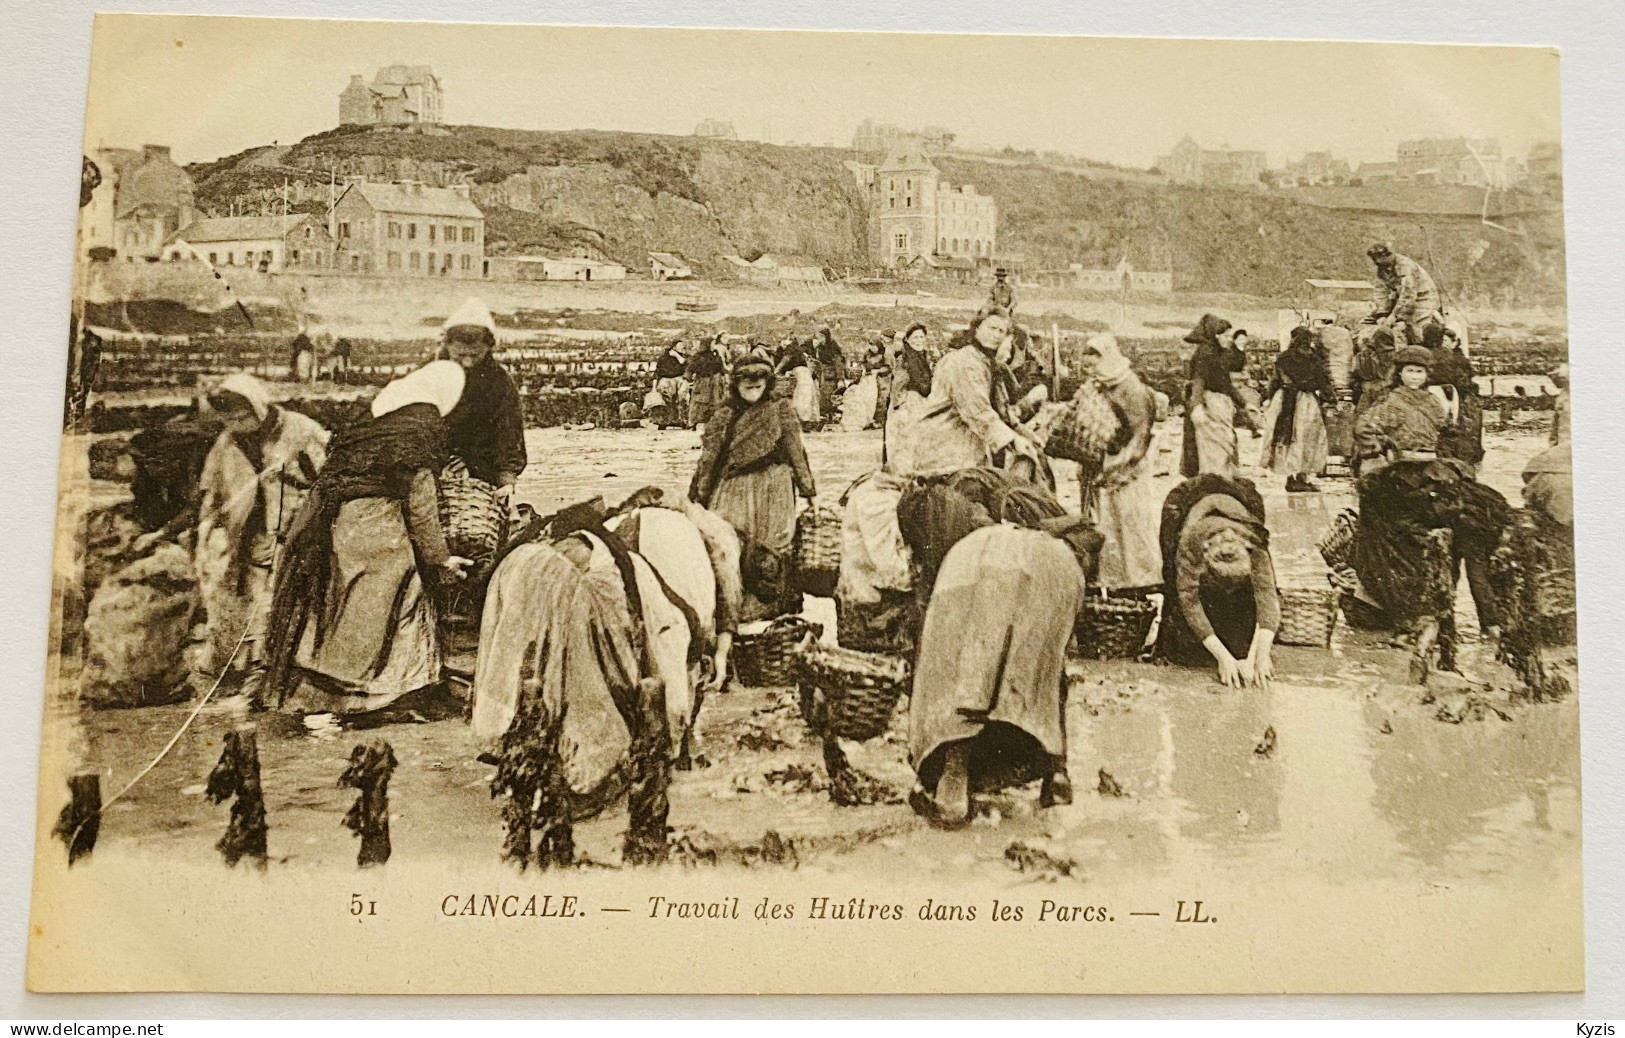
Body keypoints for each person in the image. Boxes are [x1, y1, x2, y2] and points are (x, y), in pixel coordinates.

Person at [264, 361, 472, 714]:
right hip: (384, 531)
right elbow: (421, 510)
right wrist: (440, 558)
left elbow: (323, 488)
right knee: (398, 604)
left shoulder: (360, 435)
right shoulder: (419, 439)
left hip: (340, 527)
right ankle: (380, 694)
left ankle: (330, 690)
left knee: (345, 607)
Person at [907, 517, 1098, 827]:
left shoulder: (986, 537)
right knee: (1044, 676)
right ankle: (1056, 770)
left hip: (963, 573)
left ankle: (954, 767)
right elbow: (1059, 652)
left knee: (964, 674)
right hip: (1011, 581)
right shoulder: (1065, 563)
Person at [193, 373, 329, 679]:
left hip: (296, 527)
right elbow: (212, 489)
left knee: (286, 595)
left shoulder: (301, 430)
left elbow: (327, 478)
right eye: (228, 420)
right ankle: (244, 664)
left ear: (258, 406)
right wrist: (208, 526)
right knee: (246, 594)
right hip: (248, 530)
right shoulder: (228, 441)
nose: (237, 426)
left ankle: (284, 664)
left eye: (242, 418)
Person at [689, 356, 817, 621]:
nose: (753, 385)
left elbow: (796, 452)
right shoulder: (724, 415)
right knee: (730, 546)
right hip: (734, 488)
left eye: (759, 380)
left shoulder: (781, 409)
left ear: (767, 382)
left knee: (774, 549)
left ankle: (774, 614)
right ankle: (734, 613)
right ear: (736, 384)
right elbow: (709, 460)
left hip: (774, 489)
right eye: (746, 380)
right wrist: (699, 495)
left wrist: (808, 490)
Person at [1154, 475, 1280, 689]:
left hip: (1237, 497)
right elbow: (1189, 599)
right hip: (1188, 503)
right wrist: (1222, 657)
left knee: (1242, 639)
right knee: (1182, 644)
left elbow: (1266, 594)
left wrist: (1260, 655)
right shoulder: (1191, 542)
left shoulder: (1253, 540)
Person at [909, 309, 1041, 476]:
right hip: (943, 451)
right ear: (977, 328)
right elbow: (977, 411)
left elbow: (1002, 412)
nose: (996, 335)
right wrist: (1013, 440)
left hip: (965, 450)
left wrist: (1024, 434)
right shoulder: (964, 362)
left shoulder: (988, 364)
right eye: (991, 328)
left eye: (1001, 331)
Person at [1077, 333, 1160, 591]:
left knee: (1131, 520)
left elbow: (1141, 434)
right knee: (1108, 525)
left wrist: (1121, 466)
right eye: (1087, 367)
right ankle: (1113, 579)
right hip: (1108, 461)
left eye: (1094, 365)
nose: (1090, 371)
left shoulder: (1131, 388)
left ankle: (1140, 580)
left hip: (1128, 465)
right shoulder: (1102, 384)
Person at [441, 299, 526, 505]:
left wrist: (507, 477)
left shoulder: (499, 382)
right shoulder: (429, 373)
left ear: (488, 348)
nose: (468, 362)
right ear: (448, 345)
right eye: (460, 355)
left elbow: (509, 431)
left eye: (475, 355)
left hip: (483, 469)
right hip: (435, 466)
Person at [1259, 326, 1332, 492]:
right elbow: (1323, 381)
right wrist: (1329, 397)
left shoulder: (1283, 358)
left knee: (1287, 436)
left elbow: (1275, 381)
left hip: (1285, 399)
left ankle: (1290, 477)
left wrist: (1269, 399)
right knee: (1305, 437)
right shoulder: (1313, 358)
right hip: (1306, 401)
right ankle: (1301, 477)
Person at [1180, 314, 1252, 478]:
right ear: (1215, 335)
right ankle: (1216, 481)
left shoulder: (1217, 352)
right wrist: (1197, 406)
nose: (1229, 339)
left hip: (1217, 405)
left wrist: (1244, 403)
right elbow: (1199, 380)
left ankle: (1219, 479)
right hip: (1209, 406)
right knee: (1215, 447)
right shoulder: (1206, 352)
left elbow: (1226, 382)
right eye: (1226, 336)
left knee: (1221, 446)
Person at [1422, 323, 1484, 471]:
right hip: (1453, 394)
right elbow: (1463, 380)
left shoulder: (1422, 352)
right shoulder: (1452, 356)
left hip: (1430, 394)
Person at [885, 323, 935, 474]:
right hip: (907, 404)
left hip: (917, 402)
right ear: (907, 339)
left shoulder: (920, 356)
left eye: (921, 337)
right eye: (915, 337)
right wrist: (900, 406)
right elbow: (899, 384)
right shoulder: (906, 358)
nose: (919, 340)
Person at [1366, 243, 1440, 344]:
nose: (1377, 261)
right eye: (1374, 259)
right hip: (1401, 298)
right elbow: (1381, 291)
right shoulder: (1382, 268)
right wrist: (1382, 314)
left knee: (1417, 328)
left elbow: (1408, 296)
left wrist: (1394, 316)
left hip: (1423, 298)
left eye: (1380, 257)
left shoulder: (1405, 266)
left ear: (1389, 255)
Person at [775, 337, 820, 428]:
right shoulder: (799, 350)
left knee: (802, 396)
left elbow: (785, 361)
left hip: (800, 373)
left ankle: (804, 420)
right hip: (806, 373)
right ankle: (812, 420)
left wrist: (775, 372)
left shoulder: (791, 349)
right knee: (810, 395)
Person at [684, 336, 728, 430]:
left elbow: (722, 367)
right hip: (703, 382)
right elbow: (690, 368)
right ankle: (694, 422)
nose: (713, 345)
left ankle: (715, 422)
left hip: (716, 382)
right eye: (712, 343)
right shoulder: (698, 356)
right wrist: (686, 379)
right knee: (699, 401)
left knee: (716, 402)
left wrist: (727, 374)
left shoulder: (716, 355)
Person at [653, 338, 689, 427]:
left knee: (682, 396)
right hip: (666, 379)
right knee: (666, 396)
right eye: (680, 345)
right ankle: (663, 421)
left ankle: (682, 420)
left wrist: (676, 355)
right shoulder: (663, 358)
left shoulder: (682, 357)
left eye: (682, 345)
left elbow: (686, 365)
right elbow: (657, 372)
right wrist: (654, 386)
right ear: (674, 347)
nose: (682, 347)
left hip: (679, 379)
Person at [814, 326, 848, 419]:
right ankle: (825, 415)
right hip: (823, 374)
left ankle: (830, 415)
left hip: (831, 375)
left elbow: (838, 364)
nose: (820, 339)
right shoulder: (819, 347)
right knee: (822, 395)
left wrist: (840, 379)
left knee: (831, 395)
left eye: (822, 337)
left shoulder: (833, 347)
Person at [1548, 363, 1571, 446]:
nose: (1553, 381)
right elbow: (1555, 427)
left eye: (1555, 378)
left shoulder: (1566, 397)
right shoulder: (1562, 396)